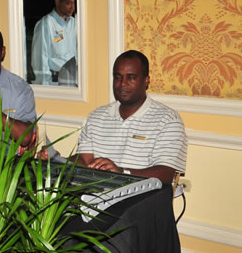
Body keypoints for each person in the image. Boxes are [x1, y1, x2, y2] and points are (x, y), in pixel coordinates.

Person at [70, 50, 186, 184]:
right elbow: (84, 160)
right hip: (92, 197)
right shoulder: (96, 117)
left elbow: (166, 173)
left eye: (131, 77)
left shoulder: (168, 121)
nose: (122, 84)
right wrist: (56, 163)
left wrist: (122, 173)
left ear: (146, 81)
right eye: (118, 77)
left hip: (140, 200)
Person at [31, 0, 77, 85]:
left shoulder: (75, 23)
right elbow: (40, 59)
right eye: (68, 3)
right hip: (55, 82)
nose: (72, 7)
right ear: (57, 2)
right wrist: (45, 87)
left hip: (74, 82)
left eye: (73, 3)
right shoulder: (46, 24)